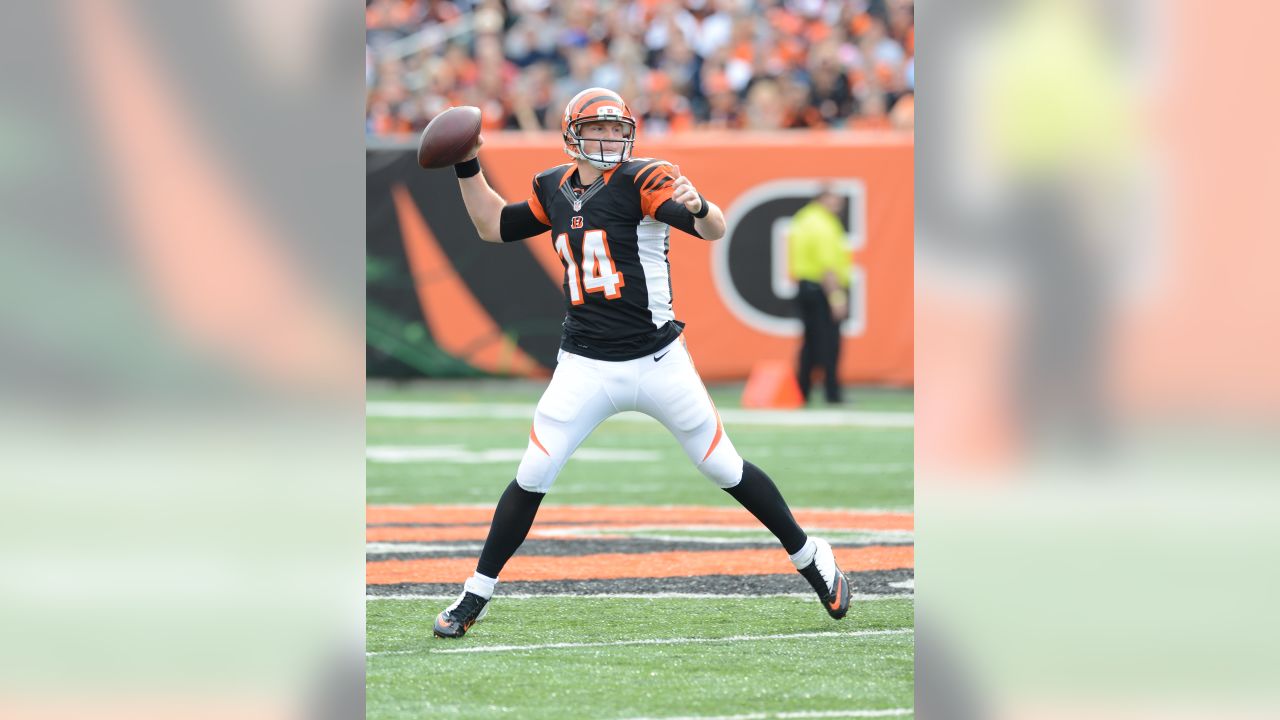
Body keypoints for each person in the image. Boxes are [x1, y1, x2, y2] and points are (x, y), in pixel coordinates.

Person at [432, 87, 851, 638]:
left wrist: (703, 208)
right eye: (596, 129)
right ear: (572, 134)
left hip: (657, 360)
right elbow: (493, 226)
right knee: (532, 474)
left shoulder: (642, 179)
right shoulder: (553, 188)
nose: (608, 139)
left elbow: (709, 226)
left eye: (615, 128)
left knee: (723, 468)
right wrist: (467, 163)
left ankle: (810, 557)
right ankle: (474, 595)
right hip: (583, 363)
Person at [787, 187, 852, 405]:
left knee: (810, 343)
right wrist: (837, 298)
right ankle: (832, 392)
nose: (839, 205)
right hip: (822, 289)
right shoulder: (823, 224)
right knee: (829, 343)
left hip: (805, 287)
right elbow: (827, 266)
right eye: (835, 200)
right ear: (823, 199)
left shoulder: (804, 219)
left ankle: (802, 391)